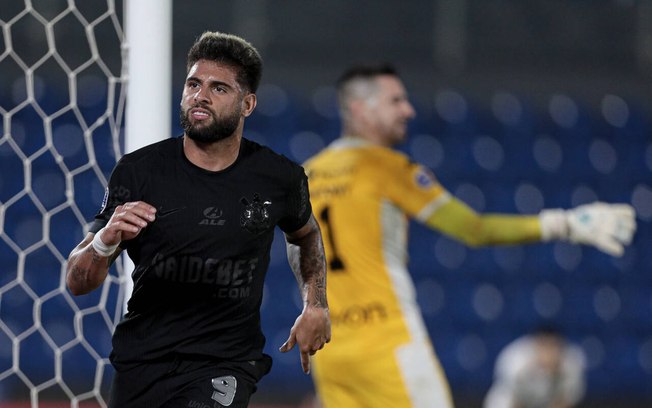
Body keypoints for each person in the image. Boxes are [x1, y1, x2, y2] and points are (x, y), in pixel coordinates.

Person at [303, 64, 636, 408]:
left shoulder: (306, 175)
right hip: (385, 341)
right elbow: (473, 229)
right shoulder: (387, 167)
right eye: (396, 100)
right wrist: (565, 224)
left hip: (330, 351)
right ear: (360, 108)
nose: (408, 109)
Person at [66, 31, 331, 408]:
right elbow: (78, 282)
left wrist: (316, 303)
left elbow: (304, 235)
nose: (200, 96)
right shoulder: (138, 173)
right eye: (193, 84)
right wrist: (105, 240)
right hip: (142, 363)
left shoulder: (279, 178)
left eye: (219, 88)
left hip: (225, 363)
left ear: (248, 104)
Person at [483, 326, 587, 408]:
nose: (549, 353)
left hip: (546, 401)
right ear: (536, 345)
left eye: (553, 346)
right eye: (545, 346)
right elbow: (514, 400)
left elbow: (566, 400)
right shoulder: (516, 359)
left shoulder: (572, 363)